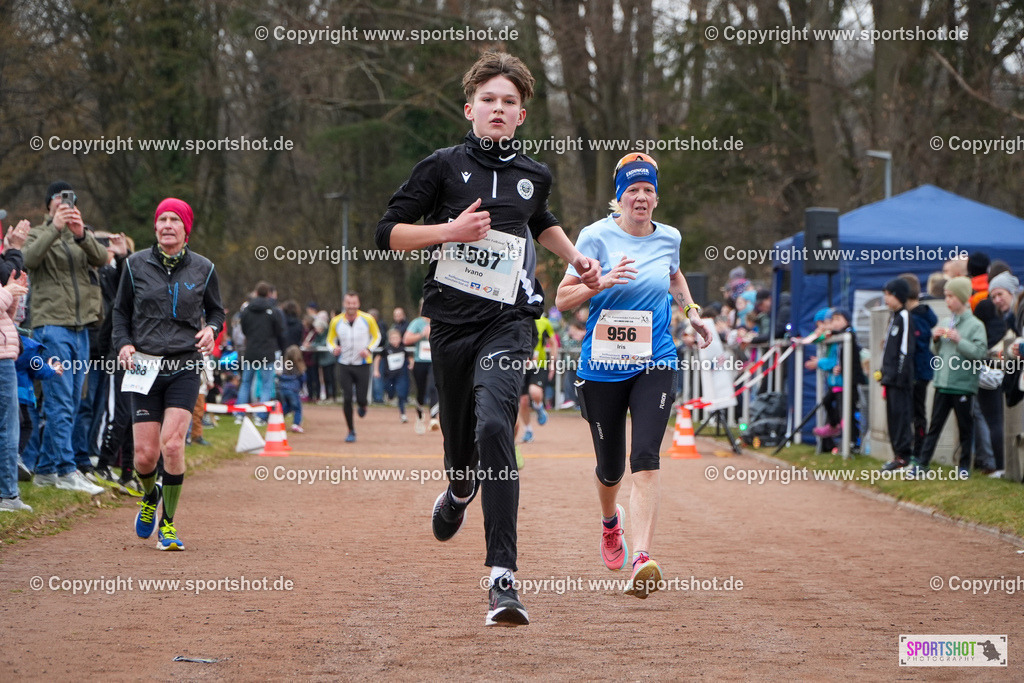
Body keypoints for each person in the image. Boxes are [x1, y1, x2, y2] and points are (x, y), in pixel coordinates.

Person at [375, 51, 602, 626]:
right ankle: (457, 489)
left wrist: (577, 259)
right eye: (489, 100)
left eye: (509, 102)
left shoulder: (533, 175)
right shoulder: (442, 167)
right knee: (460, 452)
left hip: (510, 321)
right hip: (452, 324)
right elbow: (387, 234)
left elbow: (540, 220)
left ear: (521, 115)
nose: (498, 109)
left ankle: (503, 577)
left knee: (498, 424)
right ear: (470, 108)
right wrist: (449, 231)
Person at [555, 152, 712, 599]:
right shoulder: (595, 237)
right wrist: (600, 282)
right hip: (601, 367)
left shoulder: (670, 238)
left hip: (654, 361)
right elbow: (563, 300)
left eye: (648, 191)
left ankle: (642, 557)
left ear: (656, 198)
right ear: (619, 196)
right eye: (632, 190)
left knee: (645, 457)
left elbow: (675, 275)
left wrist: (692, 313)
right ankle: (611, 524)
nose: (640, 197)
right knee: (610, 469)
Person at [112, 198, 225, 550]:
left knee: (173, 445)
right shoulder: (134, 265)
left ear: (185, 228)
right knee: (144, 455)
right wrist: (124, 344)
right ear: (155, 227)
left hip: (184, 364)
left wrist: (212, 329)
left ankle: (169, 525)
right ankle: (149, 495)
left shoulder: (204, 268)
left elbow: (217, 311)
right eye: (161, 218)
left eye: (174, 219)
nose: (166, 225)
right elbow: (120, 313)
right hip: (143, 364)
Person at [22, 181, 107, 495]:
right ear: (49, 205)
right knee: (59, 403)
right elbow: (28, 259)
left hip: (81, 327)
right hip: (51, 326)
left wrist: (81, 232)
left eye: (69, 199)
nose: (65, 204)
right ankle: (67, 470)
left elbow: (101, 258)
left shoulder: (78, 234)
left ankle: (45, 471)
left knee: (72, 400)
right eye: (59, 199)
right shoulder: (37, 233)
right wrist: (54, 229)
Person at [909, 277, 987, 477]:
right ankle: (922, 464)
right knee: (934, 427)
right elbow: (937, 352)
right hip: (942, 383)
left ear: (962, 297)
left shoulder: (976, 325)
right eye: (946, 296)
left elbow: (979, 353)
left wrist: (959, 340)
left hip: (963, 386)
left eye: (951, 296)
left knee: (965, 428)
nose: (947, 300)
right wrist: (935, 339)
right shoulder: (945, 321)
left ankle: (963, 467)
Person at [806, 309, 865, 449]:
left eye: (837, 320)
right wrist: (819, 333)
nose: (832, 324)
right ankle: (835, 427)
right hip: (836, 382)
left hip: (848, 382)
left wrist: (820, 363)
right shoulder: (833, 337)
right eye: (832, 320)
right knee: (828, 403)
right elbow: (813, 339)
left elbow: (838, 357)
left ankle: (852, 442)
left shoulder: (848, 333)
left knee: (847, 413)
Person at [327, 292, 380, 443]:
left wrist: (369, 349)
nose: (351, 306)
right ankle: (351, 430)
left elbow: (377, 336)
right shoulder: (336, 321)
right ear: (344, 304)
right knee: (347, 397)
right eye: (348, 303)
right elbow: (329, 340)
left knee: (362, 398)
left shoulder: (367, 319)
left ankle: (363, 405)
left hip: (362, 364)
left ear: (358, 304)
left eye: (354, 303)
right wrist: (333, 349)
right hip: (344, 364)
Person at [1, 271, 32, 512]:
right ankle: (7, 495)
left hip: (6, 356)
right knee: (8, 429)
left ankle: (8, 493)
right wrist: (6, 293)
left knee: (10, 427)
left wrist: (12, 297)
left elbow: (5, 320)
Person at [900, 273, 937, 464]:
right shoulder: (909, 317)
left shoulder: (918, 317)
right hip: (913, 372)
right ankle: (912, 450)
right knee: (911, 412)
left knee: (918, 414)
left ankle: (920, 451)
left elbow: (916, 345)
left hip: (919, 372)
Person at [879, 279, 915, 471]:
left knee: (901, 417)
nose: (886, 298)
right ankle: (897, 455)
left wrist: (900, 375)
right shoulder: (892, 317)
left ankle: (904, 455)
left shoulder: (904, 316)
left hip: (900, 380)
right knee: (892, 417)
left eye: (889, 294)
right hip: (890, 378)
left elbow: (905, 349)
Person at [238, 282, 285, 424]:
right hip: (267, 351)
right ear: (269, 294)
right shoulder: (274, 311)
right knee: (266, 385)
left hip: (251, 350)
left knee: (245, 382)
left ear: (256, 293)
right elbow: (279, 331)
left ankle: (239, 414)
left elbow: (244, 328)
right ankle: (260, 416)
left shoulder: (246, 310)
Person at [517, 314, 557, 444]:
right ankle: (528, 430)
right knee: (523, 401)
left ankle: (538, 406)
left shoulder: (544, 322)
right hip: (520, 366)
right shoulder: (517, 320)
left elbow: (553, 342)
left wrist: (552, 363)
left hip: (538, 365)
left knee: (535, 392)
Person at [403, 304, 438, 434]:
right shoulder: (417, 323)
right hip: (420, 361)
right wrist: (422, 334)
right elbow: (406, 339)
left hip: (434, 361)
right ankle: (419, 416)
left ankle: (434, 418)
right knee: (421, 391)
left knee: (433, 387)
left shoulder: (439, 321)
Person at [373, 328, 411, 422]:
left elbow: (409, 358)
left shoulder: (402, 349)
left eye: (396, 338)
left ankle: (403, 414)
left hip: (400, 376)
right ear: (389, 339)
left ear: (400, 338)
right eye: (392, 338)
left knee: (401, 394)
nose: (395, 340)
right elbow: (377, 358)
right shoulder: (386, 349)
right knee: (390, 391)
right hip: (389, 376)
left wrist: (411, 364)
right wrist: (376, 370)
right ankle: (390, 396)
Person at [278, 345, 306, 433]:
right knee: (297, 408)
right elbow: (303, 379)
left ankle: (277, 420)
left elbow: (279, 377)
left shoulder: (284, 366)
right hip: (293, 391)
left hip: (283, 390)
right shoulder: (299, 368)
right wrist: (300, 388)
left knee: (287, 406)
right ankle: (296, 424)